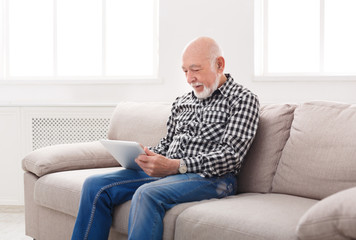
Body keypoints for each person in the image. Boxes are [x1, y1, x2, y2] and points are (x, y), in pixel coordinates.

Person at [71, 36, 260, 240]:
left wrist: (176, 165)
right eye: (185, 71)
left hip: (214, 178)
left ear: (219, 65)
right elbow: (167, 144)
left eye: (195, 70)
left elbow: (230, 156)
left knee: (146, 194)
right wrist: (148, 155)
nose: (189, 78)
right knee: (94, 185)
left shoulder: (243, 99)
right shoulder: (182, 101)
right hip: (171, 172)